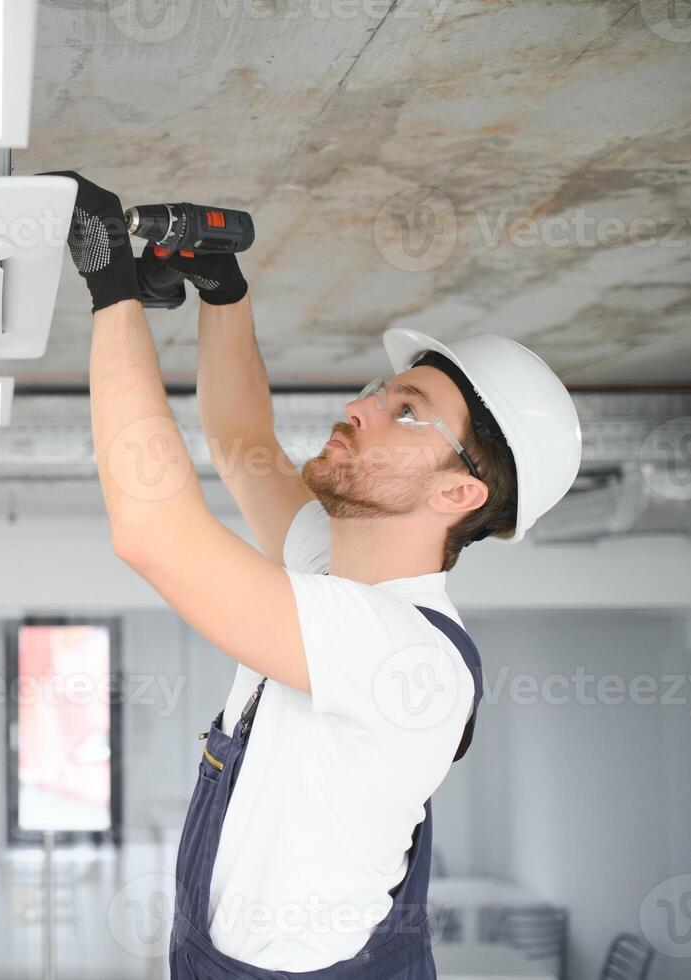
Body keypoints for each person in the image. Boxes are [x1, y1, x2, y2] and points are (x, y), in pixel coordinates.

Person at [46, 171, 582, 979]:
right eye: (380, 390)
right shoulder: (329, 569)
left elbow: (154, 532)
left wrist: (111, 286)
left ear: (457, 493)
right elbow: (238, 437)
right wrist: (223, 293)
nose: (360, 407)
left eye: (406, 411)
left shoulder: (407, 659)